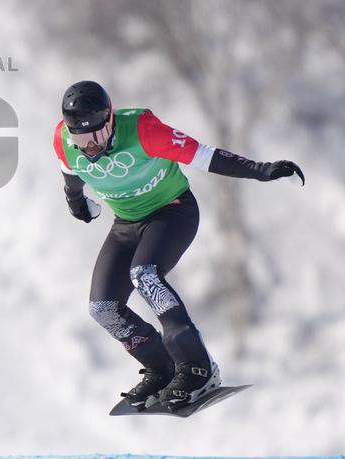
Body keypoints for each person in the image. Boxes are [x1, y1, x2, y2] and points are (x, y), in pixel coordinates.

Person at [54, 80, 304, 411]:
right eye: (79, 138)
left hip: (172, 213)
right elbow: (70, 172)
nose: (87, 146)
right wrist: (76, 202)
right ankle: (162, 370)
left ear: (110, 120)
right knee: (103, 309)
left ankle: (198, 367)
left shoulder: (144, 130)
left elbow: (206, 156)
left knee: (145, 275)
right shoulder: (64, 141)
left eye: (94, 137)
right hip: (125, 225)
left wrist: (261, 170)